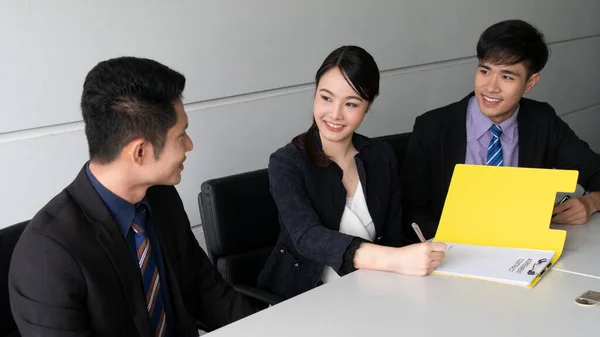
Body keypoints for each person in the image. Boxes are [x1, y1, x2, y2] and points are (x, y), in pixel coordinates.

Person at [9, 57, 261, 337]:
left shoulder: (162, 199)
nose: (190, 145)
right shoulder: (47, 256)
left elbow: (209, 292)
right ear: (140, 152)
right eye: (182, 134)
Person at [257, 46, 446, 299]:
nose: (335, 114)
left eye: (351, 103)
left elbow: (392, 234)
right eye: (326, 98)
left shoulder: (380, 155)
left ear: (369, 104)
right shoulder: (287, 162)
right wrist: (396, 260)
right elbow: (307, 236)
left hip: (373, 291)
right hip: (303, 298)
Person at [400, 19, 600, 243]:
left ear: (530, 83)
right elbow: (409, 212)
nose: (490, 87)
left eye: (507, 76)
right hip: (449, 255)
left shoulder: (541, 121)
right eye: (485, 71)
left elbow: (596, 172)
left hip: (521, 249)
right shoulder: (433, 127)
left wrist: (591, 202)